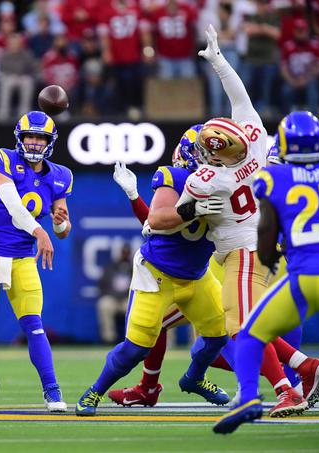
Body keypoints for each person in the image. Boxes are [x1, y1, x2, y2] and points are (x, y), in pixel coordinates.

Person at [173, 25, 319, 417]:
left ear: (212, 153)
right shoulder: (257, 140)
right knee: (246, 324)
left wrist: (190, 209)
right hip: (263, 244)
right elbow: (238, 97)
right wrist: (220, 61)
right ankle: (303, 367)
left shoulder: (207, 178)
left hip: (241, 254)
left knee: (241, 329)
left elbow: (182, 213)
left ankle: (285, 390)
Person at [213, 111, 319, 434]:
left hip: (304, 278)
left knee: (250, 334)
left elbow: (265, 233)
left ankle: (249, 397)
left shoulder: (272, 178)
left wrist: (271, 257)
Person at [75, 130, 231, 416]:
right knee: (135, 349)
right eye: (209, 153)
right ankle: (95, 391)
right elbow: (157, 219)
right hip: (158, 275)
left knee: (219, 335)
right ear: (192, 154)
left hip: (197, 276)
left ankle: (194, 377)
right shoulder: (174, 176)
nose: (216, 160)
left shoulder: (229, 184)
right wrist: (194, 208)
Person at [0, 110, 72, 412]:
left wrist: (58, 223)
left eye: (40, 137)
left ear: (50, 141)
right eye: (30, 136)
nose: (35, 142)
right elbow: (12, 204)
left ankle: (52, 390)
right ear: (19, 137)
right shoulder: (2, 158)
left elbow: (64, 230)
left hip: (21, 259)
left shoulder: (60, 175)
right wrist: (40, 230)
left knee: (34, 326)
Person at [96, 243, 133, 344]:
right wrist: (113, 295)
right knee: (104, 304)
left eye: (127, 253)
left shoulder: (134, 267)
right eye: (123, 253)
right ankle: (108, 339)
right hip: (112, 298)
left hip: (127, 299)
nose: (125, 255)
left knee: (134, 307)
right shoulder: (110, 267)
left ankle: (133, 340)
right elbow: (102, 285)